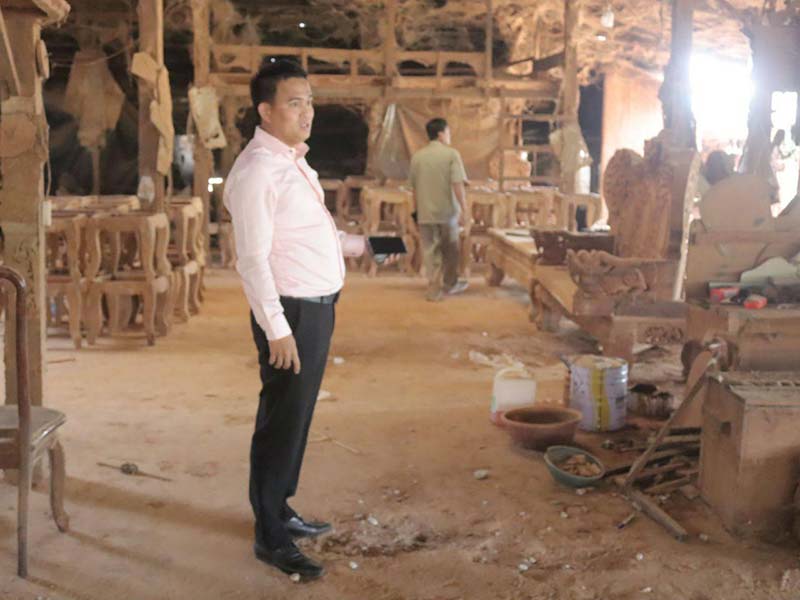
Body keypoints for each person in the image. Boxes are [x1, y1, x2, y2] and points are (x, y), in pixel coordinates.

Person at [223, 59, 366, 580]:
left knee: (297, 416)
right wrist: (277, 328)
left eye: (310, 102)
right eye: (294, 103)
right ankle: (270, 536)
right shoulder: (257, 171)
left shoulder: (292, 162)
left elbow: (305, 234)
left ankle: (279, 508)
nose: (307, 113)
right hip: (292, 313)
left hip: (315, 307)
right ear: (266, 110)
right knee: (281, 420)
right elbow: (252, 259)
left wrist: (359, 245)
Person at [408, 118, 470, 302]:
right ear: (441, 134)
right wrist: (464, 209)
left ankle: (434, 288)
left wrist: (415, 212)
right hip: (447, 213)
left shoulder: (417, 157)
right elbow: (457, 184)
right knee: (451, 250)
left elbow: (413, 189)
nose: (450, 136)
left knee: (430, 251)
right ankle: (450, 283)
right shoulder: (452, 155)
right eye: (448, 132)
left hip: (425, 213)